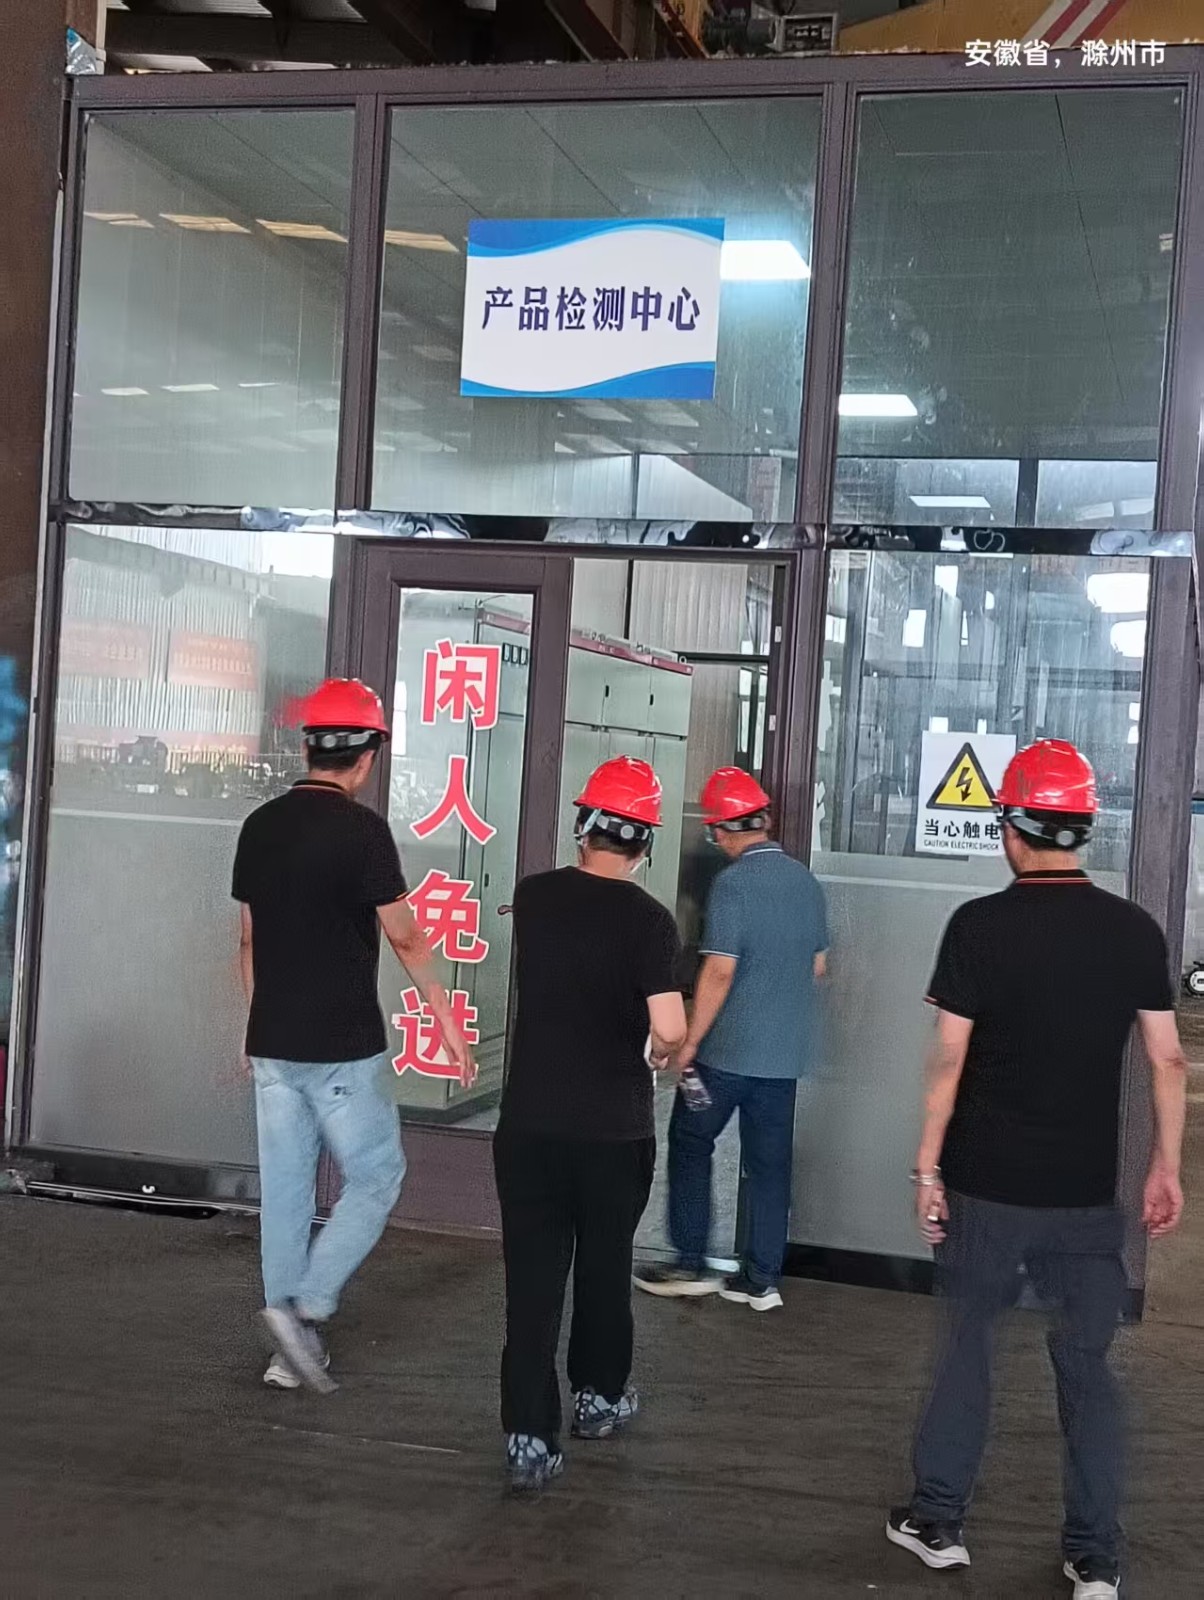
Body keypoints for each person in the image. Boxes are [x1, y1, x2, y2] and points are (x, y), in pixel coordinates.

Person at [886, 739, 1187, 1600]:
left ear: (1011, 829)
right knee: (1088, 1367)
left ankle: (939, 1521)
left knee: (967, 1349)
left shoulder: (979, 927)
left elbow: (948, 1061)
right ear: (1084, 828)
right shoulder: (1133, 930)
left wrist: (926, 1167)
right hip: (1086, 1196)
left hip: (984, 1188)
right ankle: (1095, 1556)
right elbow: (1168, 1061)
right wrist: (1165, 1168)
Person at [233, 678, 473, 1394]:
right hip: (341, 1047)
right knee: (375, 1175)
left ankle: (289, 1350)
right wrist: (447, 1022)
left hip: (273, 1041)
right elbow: (407, 939)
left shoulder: (259, 826)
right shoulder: (363, 832)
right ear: (367, 757)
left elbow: (248, 941)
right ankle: (307, 1306)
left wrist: (255, 1025)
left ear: (308, 747)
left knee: (285, 1193)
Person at [493, 755, 686, 1492]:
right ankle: (599, 1400)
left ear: (583, 825)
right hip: (613, 1129)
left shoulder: (534, 895)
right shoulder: (650, 922)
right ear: (646, 842)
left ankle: (528, 1437)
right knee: (603, 1270)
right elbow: (669, 1027)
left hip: (530, 1124)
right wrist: (661, 1049)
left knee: (532, 1283)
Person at [634, 768, 828, 1312]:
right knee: (770, 1166)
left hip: (726, 1054)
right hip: (781, 1060)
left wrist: (689, 1042)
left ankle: (690, 1263)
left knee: (692, 1143)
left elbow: (719, 971)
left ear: (722, 830)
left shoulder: (733, 884)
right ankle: (761, 1279)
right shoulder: (805, 882)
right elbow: (818, 967)